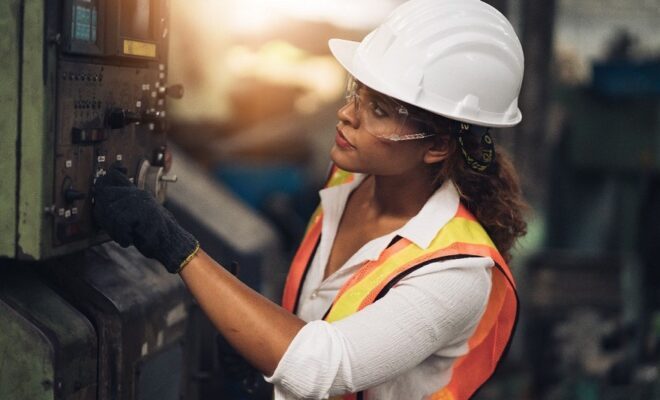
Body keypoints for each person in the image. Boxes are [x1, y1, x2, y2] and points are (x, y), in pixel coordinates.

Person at [93, 0, 528, 398]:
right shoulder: (349, 181)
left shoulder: (455, 273)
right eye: (356, 91)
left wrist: (177, 249)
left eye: (377, 110)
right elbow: (312, 328)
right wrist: (260, 354)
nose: (346, 113)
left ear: (436, 147)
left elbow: (322, 366)